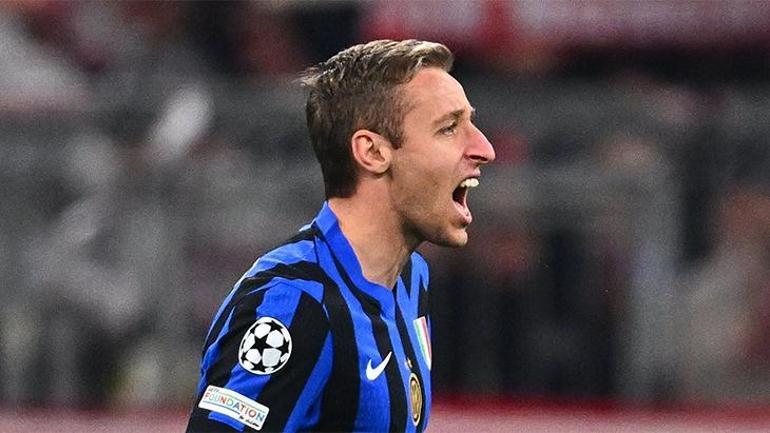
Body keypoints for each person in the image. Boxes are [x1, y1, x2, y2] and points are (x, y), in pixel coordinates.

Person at [186, 39, 495, 433]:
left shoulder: (411, 279)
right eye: (449, 128)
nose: (484, 148)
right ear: (373, 152)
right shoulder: (293, 304)